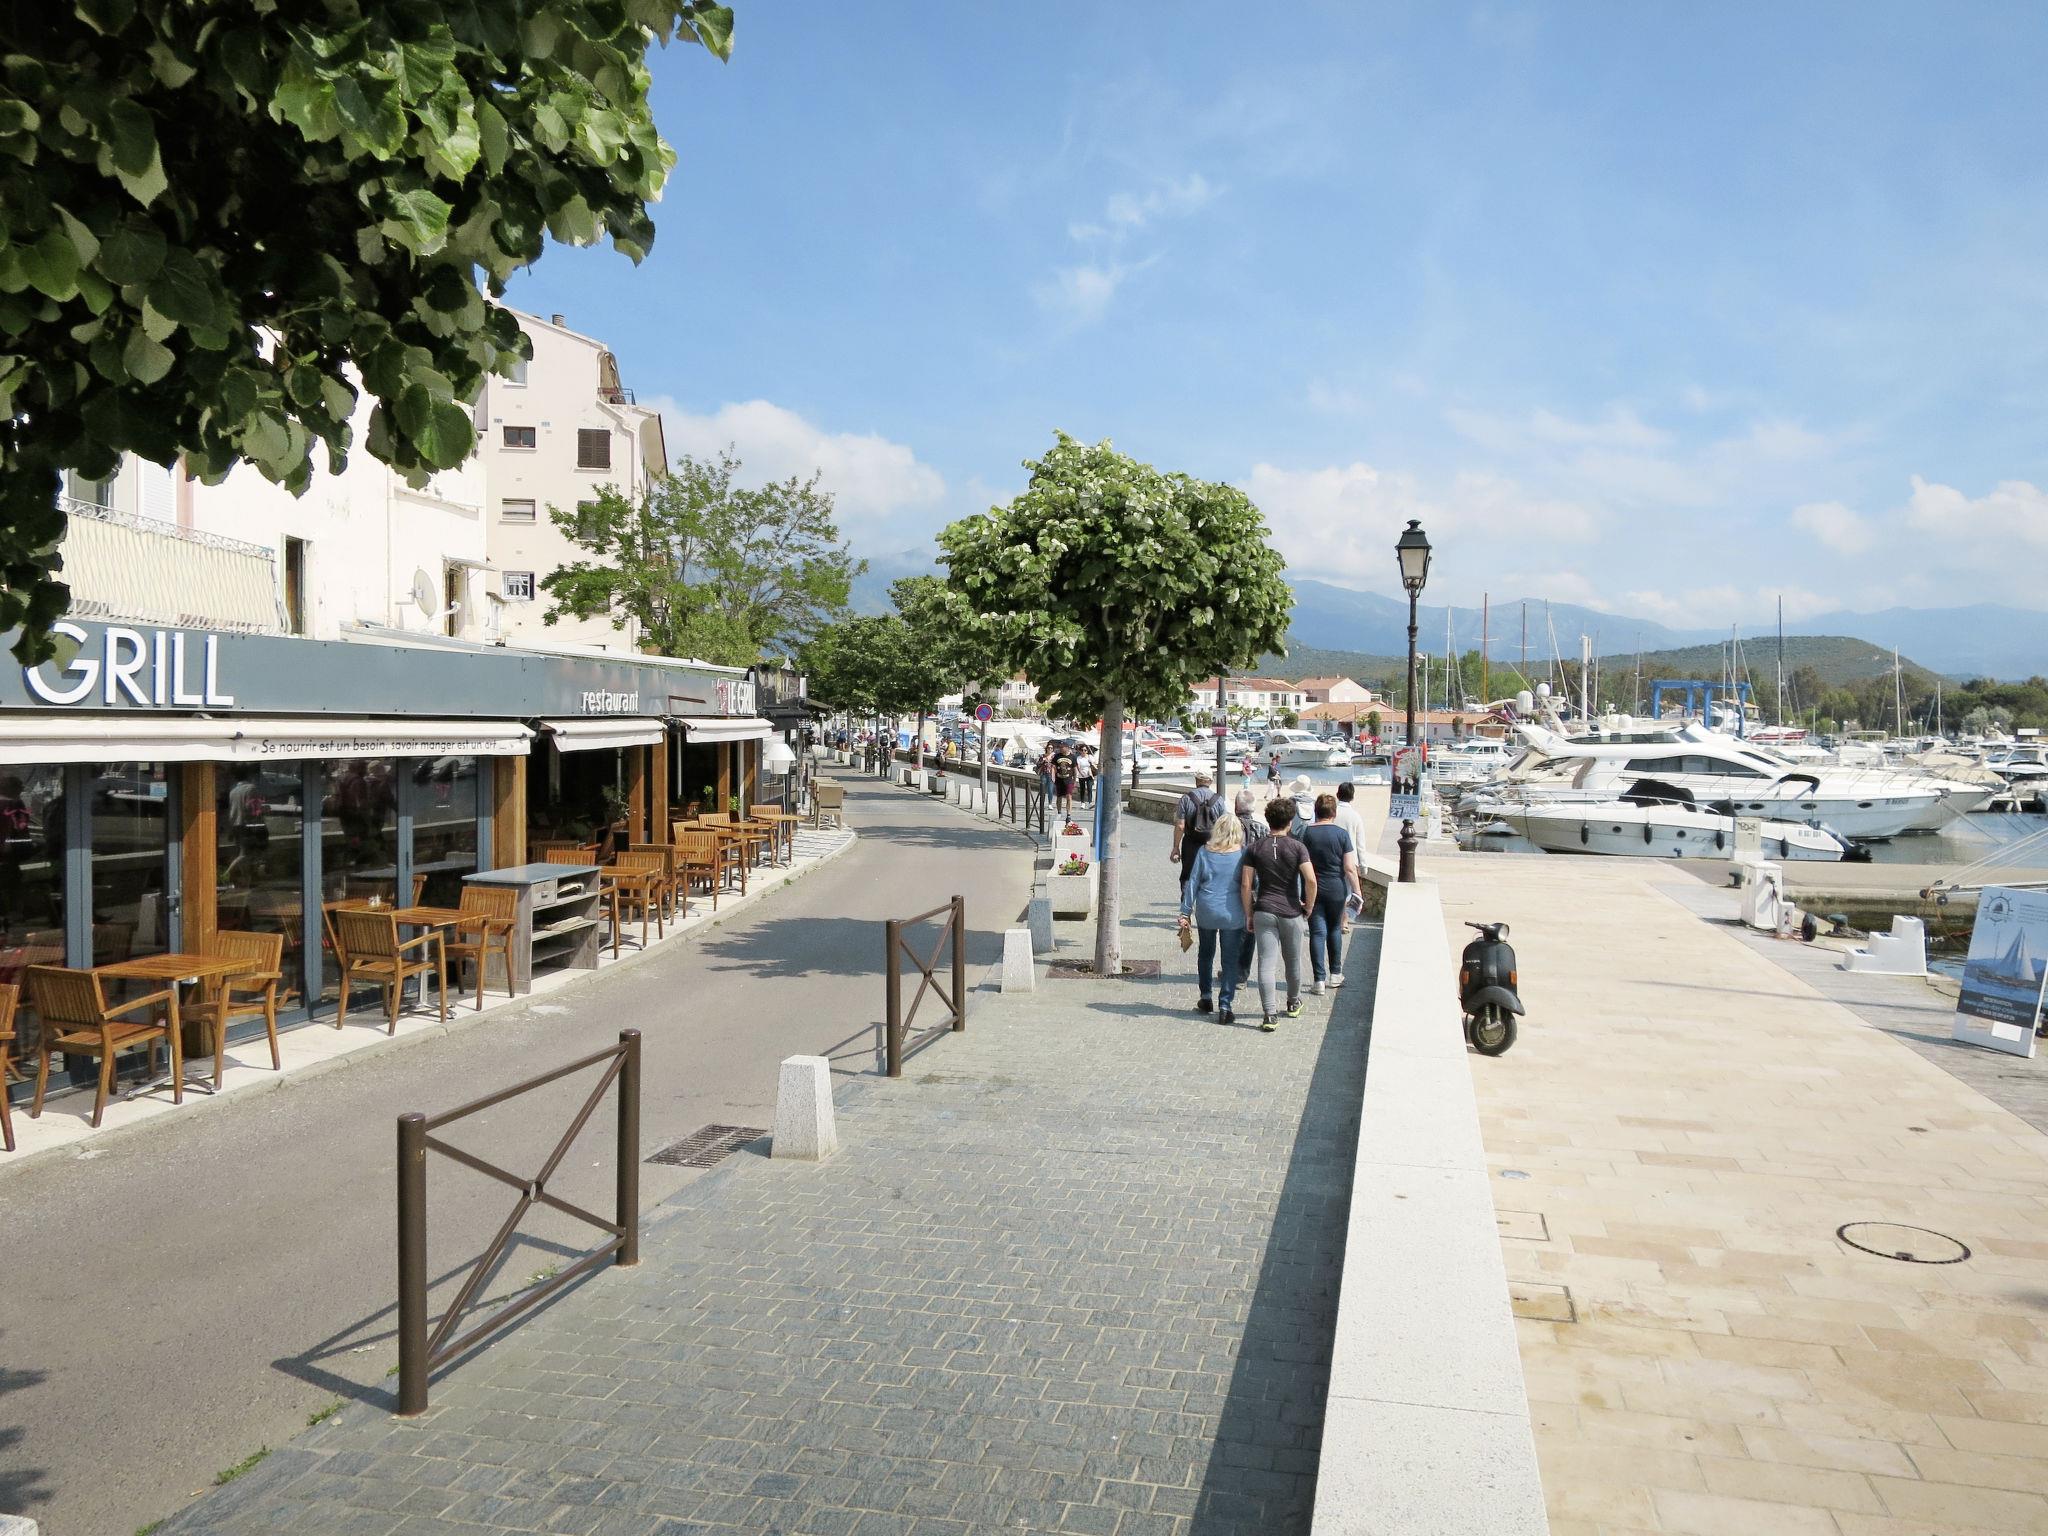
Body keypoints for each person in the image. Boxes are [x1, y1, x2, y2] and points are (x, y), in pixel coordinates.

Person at [1240, 797, 1315, 1032]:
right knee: (1293, 961)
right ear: (1290, 822)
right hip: (1291, 911)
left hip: (1264, 910)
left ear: (1268, 820)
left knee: (1266, 964)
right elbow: (1311, 880)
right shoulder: (1297, 847)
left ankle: (1270, 1014)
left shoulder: (1255, 848)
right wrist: (1309, 906)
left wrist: (1248, 913)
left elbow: (1246, 884)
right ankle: (1293, 1002)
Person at [1179, 807, 1248, 1023]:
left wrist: (1185, 912)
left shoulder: (1204, 851)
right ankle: (1225, 1005)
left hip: (1207, 910)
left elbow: (1193, 882)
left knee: (1206, 953)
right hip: (1232, 912)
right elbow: (1248, 884)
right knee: (1230, 959)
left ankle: (1206, 996)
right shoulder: (1243, 854)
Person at [1299, 793, 1362, 993]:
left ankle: (1318, 980)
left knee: (1317, 932)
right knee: (1334, 929)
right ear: (1334, 813)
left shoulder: (1306, 833)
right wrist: (1357, 891)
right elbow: (1349, 868)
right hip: (1336, 888)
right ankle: (1335, 974)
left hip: (1313, 888)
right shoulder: (1342, 835)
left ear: (1316, 811)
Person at [1169, 770, 1225, 890]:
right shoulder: (1219, 800)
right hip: (1212, 844)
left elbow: (1180, 826)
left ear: (1196, 780)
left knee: (1188, 876)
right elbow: (1224, 826)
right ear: (1211, 781)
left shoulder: (1186, 799)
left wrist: (1176, 847)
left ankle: (1187, 899)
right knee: (1210, 877)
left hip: (1190, 843)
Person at [1051, 739, 1078, 816]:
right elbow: (1053, 767)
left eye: (1062, 747)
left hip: (1068, 780)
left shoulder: (1072, 757)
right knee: (1059, 796)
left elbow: (1075, 769)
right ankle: (1059, 812)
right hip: (1059, 779)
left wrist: (1075, 781)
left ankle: (1068, 814)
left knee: (1069, 796)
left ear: (1067, 747)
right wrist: (1053, 776)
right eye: (1060, 747)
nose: (1060, 748)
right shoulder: (1057, 756)